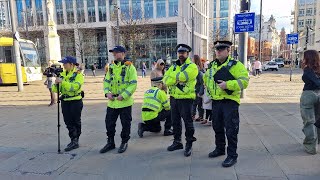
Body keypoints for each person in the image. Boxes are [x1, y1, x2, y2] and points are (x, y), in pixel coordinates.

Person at [204, 40, 249, 167]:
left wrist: (228, 85)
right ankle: (220, 149)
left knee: (231, 129)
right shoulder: (212, 65)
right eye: (217, 49)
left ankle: (232, 155)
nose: (218, 51)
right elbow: (207, 78)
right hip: (216, 102)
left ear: (228, 51)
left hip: (230, 102)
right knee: (217, 127)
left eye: (221, 49)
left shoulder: (236, 65)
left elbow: (244, 82)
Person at [100, 46, 137, 154]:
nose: (115, 54)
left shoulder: (130, 67)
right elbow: (106, 81)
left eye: (117, 52)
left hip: (124, 102)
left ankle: (124, 142)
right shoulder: (111, 67)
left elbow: (133, 84)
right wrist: (107, 93)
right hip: (112, 102)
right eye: (114, 53)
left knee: (126, 124)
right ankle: (110, 142)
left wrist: (124, 95)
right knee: (109, 123)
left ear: (123, 53)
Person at [163, 44, 198, 157]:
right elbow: (165, 80)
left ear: (188, 54)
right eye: (179, 52)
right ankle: (177, 142)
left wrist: (173, 77)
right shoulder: (174, 66)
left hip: (186, 99)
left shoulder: (192, 66)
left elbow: (184, 77)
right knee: (175, 121)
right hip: (174, 98)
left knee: (188, 122)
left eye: (183, 52)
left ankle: (189, 143)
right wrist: (176, 78)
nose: (181, 54)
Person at [52, 56, 84, 152]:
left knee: (76, 121)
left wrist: (63, 82)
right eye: (63, 63)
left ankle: (76, 140)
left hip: (75, 101)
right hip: (65, 101)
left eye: (65, 63)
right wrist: (56, 83)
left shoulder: (78, 75)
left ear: (72, 64)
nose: (64, 65)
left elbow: (74, 87)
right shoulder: (62, 74)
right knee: (68, 122)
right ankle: (72, 139)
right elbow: (55, 90)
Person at [300, 50, 320, 155]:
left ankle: (310, 146)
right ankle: (318, 142)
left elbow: (315, 81)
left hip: (308, 95)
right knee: (318, 119)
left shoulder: (308, 69)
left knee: (309, 121)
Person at [192, 55, 205, 122]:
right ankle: (200, 116)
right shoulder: (201, 68)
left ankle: (195, 116)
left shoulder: (199, 72)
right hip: (197, 89)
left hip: (198, 90)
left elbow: (202, 82)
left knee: (196, 104)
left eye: (192, 59)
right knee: (198, 104)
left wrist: (200, 92)